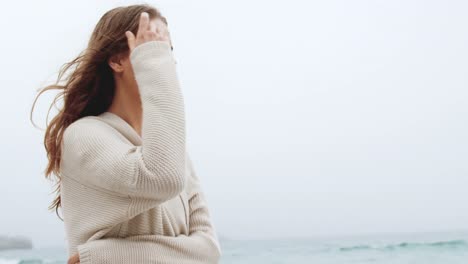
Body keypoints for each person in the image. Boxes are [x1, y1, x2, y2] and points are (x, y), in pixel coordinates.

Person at [31, 4, 221, 264]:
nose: (164, 57)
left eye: (168, 49)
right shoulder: (83, 134)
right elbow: (162, 178)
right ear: (117, 59)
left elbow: (208, 251)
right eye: (150, 42)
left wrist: (104, 255)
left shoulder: (177, 154)